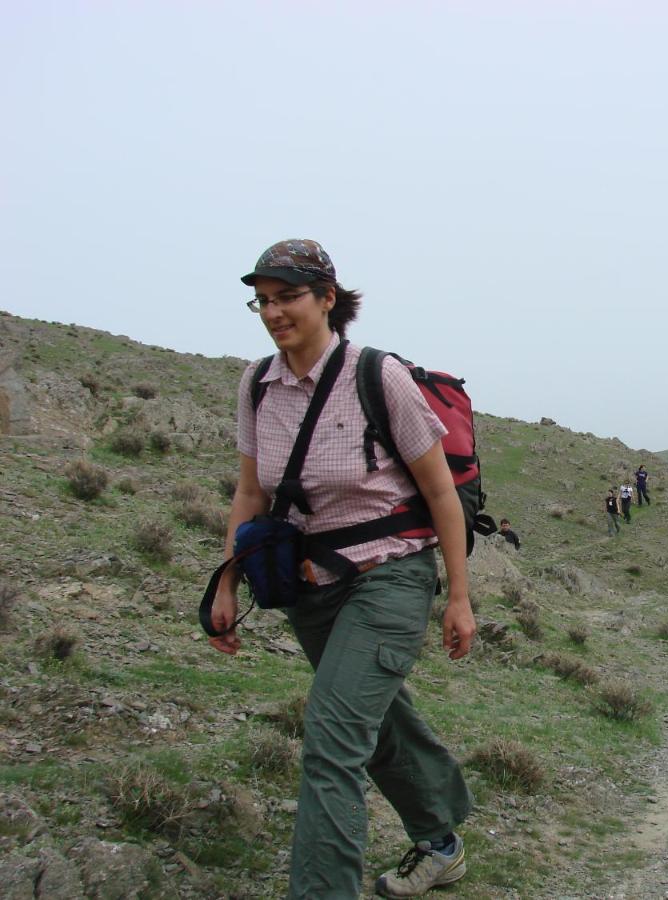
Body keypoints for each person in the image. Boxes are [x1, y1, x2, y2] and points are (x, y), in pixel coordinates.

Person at [209, 239, 474, 900]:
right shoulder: (256, 384)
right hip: (311, 589)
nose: (274, 313)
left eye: (289, 297)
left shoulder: (376, 377)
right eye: (262, 301)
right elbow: (251, 493)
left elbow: (441, 493)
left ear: (329, 298)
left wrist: (460, 597)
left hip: (390, 578)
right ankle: (441, 842)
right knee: (375, 721)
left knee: (331, 739)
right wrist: (226, 578)